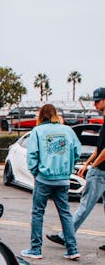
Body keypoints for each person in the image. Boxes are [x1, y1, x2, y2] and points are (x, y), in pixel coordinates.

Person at [46, 86, 105, 251]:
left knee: (85, 205)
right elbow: (99, 149)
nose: (95, 105)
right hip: (100, 169)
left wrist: (93, 166)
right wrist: (87, 164)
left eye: (98, 101)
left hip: (100, 171)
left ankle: (66, 236)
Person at [20, 103, 81, 260]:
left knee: (38, 213)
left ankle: (35, 249)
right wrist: (68, 168)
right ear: (55, 114)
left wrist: (35, 172)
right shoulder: (67, 131)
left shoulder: (38, 131)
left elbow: (32, 155)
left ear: (41, 115)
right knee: (65, 213)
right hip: (63, 180)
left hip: (44, 178)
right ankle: (72, 249)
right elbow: (77, 152)